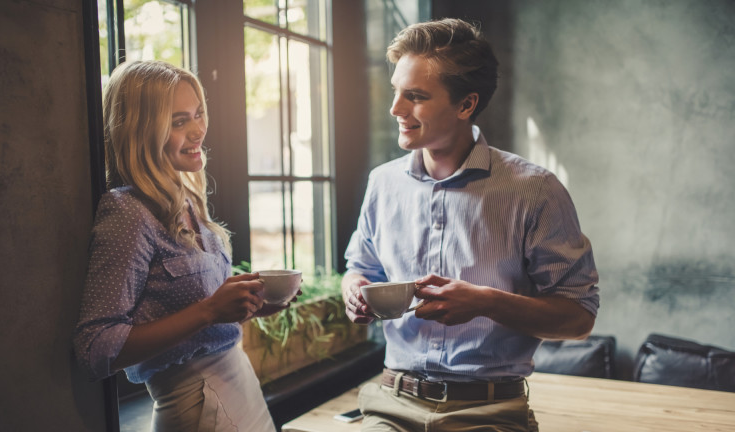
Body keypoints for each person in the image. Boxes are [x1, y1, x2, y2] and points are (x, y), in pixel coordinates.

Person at [342, 18, 599, 432]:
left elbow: (579, 317)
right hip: (390, 404)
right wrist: (353, 289)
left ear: (466, 105)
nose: (395, 109)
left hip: (489, 413)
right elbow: (361, 268)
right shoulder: (382, 183)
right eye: (396, 92)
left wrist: (486, 301)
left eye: (416, 96)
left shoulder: (536, 190)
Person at [74, 60, 289, 432]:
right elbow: (95, 348)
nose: (198, 131)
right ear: (143, 131)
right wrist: (209, 310)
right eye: (178, 122)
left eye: (198, 114)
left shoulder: (186, 200)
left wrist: (251, 306)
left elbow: (197, 317)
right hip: (198, 404)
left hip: (239, 387)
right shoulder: (128, 211)